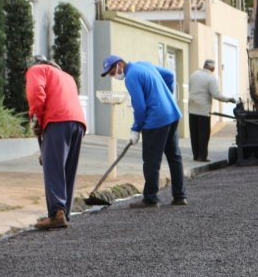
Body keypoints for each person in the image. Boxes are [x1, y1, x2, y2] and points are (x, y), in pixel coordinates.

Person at [101, 54, 186, 208]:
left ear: (120, 64)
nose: (113, 76)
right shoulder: (145, 64)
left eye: (113, 72)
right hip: (172, 113)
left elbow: (140, 107)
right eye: (110, 75)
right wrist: (166, 96)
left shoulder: (131, 77)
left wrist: (135, 129)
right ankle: (180, 196)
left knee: (151, 161)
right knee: (174, 157)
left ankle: (151, 198)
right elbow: (169, 75)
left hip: (156, 119)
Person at [25, 56, 87, 229]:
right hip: (78, 123)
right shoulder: (66, 76)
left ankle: (56, 213)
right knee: (68, 168)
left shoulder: (36, 70)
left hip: (58, 120)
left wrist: (36, 118)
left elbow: (35, 92)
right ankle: (64, 212)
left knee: (53, 167)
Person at [188, 58, 236, 161]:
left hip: (192, 108)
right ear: (213, 68)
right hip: (203, 109)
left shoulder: (194, 74)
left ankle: (195, 155)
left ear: (204, 65)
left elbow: (190, 89)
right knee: (203, 134)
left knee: (194, 133)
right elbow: (216, 94)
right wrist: (229, 99)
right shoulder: (211, 78)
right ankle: (202, 156)